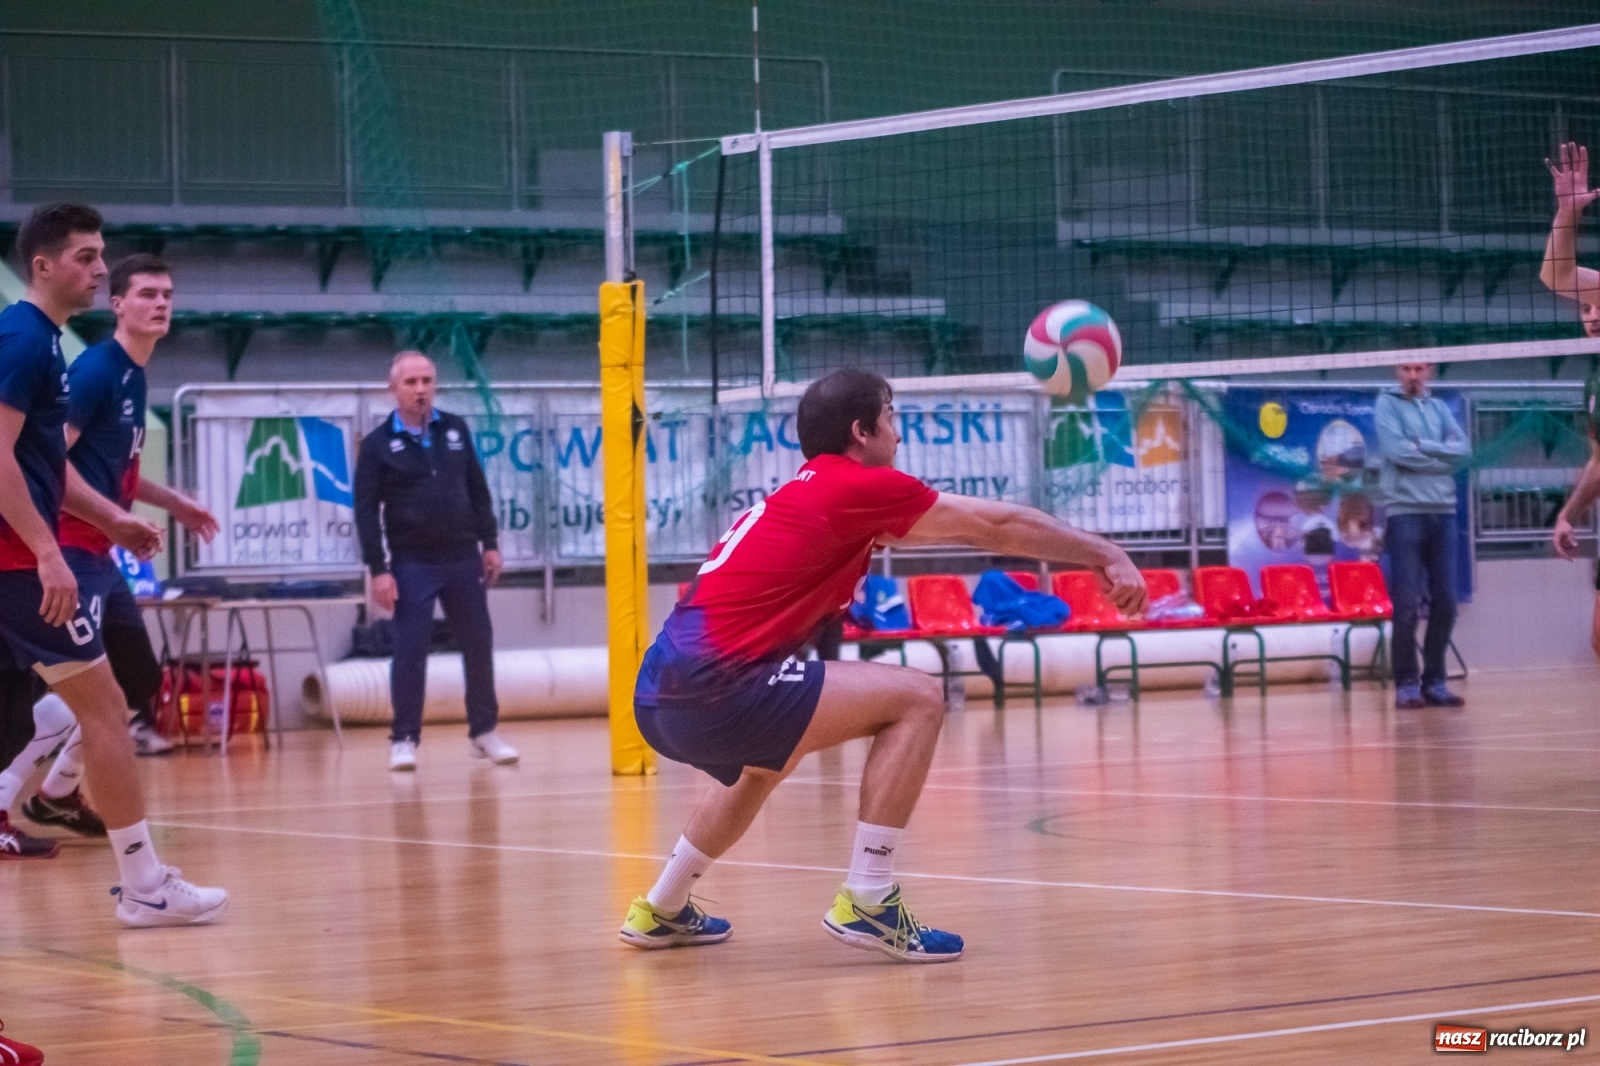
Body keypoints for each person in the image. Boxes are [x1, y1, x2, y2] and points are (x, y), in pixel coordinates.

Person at [619, 368, 1147, 962]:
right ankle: (869, 896)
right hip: (717, 689)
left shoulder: (808, 494)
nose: (898, 435)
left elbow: (956, 531)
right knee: (918, 697)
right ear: (860, 431)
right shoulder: (854, 488)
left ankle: (662, 907)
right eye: (892, 418)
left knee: (764, 768)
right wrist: (1106, 552)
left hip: (656, 694)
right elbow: (993, 524)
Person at [0, 202, 226, 924]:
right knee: (103, 709)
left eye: (103, 257)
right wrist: (47, 551)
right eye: (88, 258)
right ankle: (143, 885)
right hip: (26, 561)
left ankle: (139, 878)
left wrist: (118, 518)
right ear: (44, 265)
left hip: (47, 553)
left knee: (104, 701)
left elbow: (45, 466)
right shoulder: (33, 344)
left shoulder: (50, 346)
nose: (101, 270)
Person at [354, 351, 517, 771]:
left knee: (478, 643)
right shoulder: (375, 446)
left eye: (427, 380)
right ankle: (404, 737)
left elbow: (477, 489)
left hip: (463, 557)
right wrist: (379, 569)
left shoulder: (456, 430)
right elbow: (365, 511)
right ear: (393, 389)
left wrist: (491, 543)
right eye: (411, 382)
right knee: (410, 650)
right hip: (412, 563)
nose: (421, 389)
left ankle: (484, 732)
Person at [1375, 363, 1470, 710]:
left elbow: (1465, 452)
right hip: (1405, 512)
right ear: (1396, 371)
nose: (1413, 375)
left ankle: (1435, 681)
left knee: (1446, 602)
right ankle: (1406, 684)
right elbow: (1397, 453)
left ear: (1429, 370)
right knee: (1407, 603)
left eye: (1419, 368)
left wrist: (1423, 448)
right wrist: (1440, 456)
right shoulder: (1386, 404)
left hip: (1443, 512)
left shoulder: (1440, 408)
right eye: (1406, 368)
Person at [1539, 141, 1600, 659]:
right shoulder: (1594, 379)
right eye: (1586, 308)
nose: (1593, 311)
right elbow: (1557, 277)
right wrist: (1567, 213)